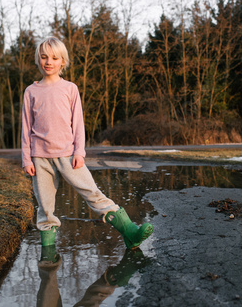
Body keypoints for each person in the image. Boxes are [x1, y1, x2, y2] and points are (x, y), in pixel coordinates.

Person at [21, 36, 153, 249]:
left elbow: (78, 123)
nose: (49, 62)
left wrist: (79, 152)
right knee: (45, 204)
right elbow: (26, 128)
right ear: (38, 59)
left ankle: (129, 231)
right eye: (44, 57)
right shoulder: (31, 91)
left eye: (54, 58)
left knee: (92, 191)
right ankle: (48, 250)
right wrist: (27, 159)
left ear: (62, 62)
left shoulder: (70, 89)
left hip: (67, 154)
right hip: (40, 157)